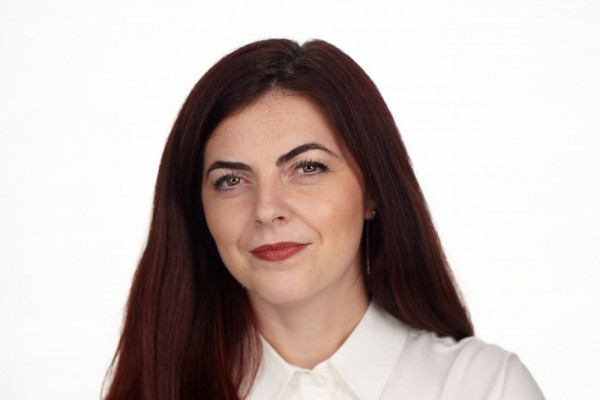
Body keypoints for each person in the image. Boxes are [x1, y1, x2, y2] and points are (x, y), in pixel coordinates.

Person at [103, 39, 544, 399]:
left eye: (308, 168)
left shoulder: (487, 388)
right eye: (231, 180)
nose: (267, 209)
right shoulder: (156, 389)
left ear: (373, 191)